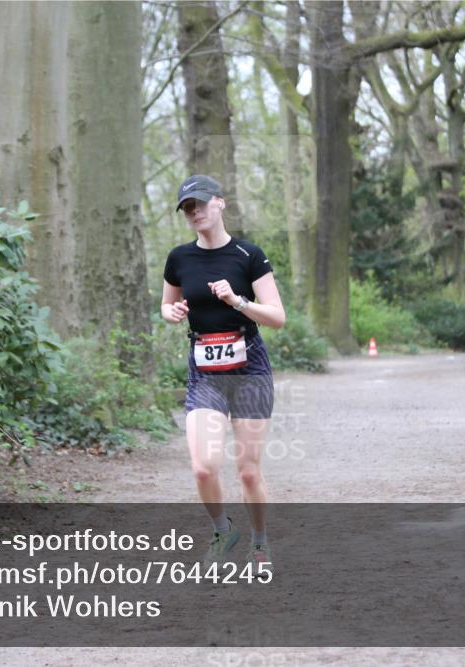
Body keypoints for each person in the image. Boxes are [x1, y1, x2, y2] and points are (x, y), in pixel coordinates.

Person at [161, 174, 286, 572]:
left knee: (248, 473)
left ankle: (260, 544)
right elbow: (167, 305)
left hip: (248, 366)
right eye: (187, 208)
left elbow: (277, 317)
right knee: (202, 466)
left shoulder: (249, 255)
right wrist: (173, 312)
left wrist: (238, 301)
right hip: (204, 370)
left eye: (199, 203)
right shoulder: (179, 258)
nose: (194, 212)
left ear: (220, 203)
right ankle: (222, 530)